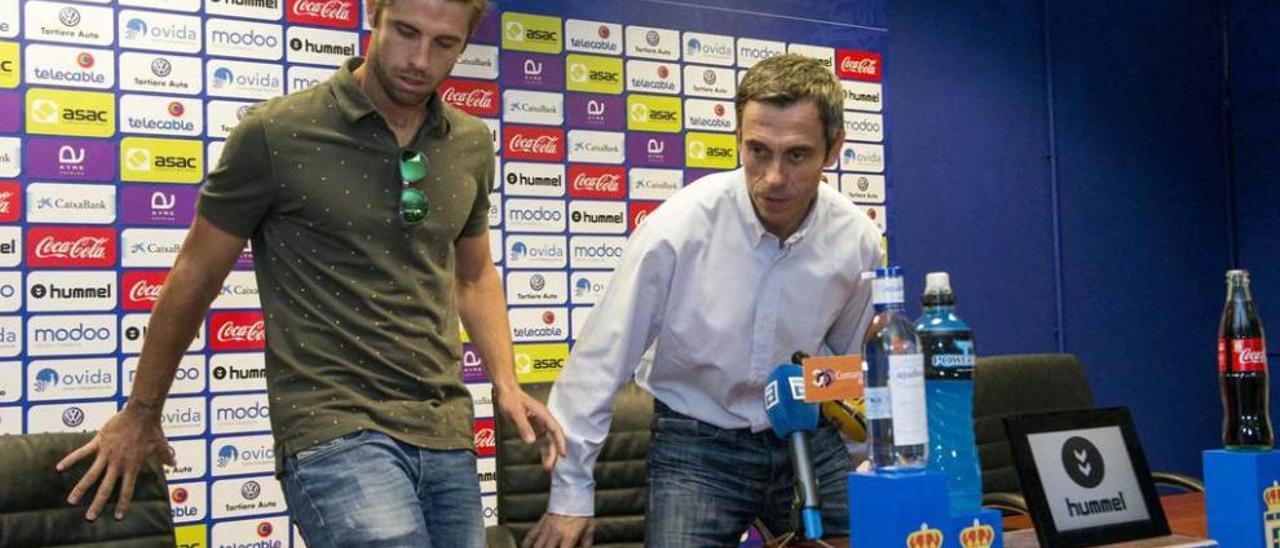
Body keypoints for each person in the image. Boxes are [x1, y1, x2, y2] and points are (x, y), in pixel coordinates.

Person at [57, 1, 565, 546]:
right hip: (332, 424)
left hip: (444, 426)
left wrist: (506, 384)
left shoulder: (467, 143)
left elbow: (474, 276)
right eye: (406, 32)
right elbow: (195, 274)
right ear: (376, 13)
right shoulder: (276, 132)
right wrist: (142, 410)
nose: (419, 59)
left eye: (445, 44)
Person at [524, 54, 884, 548]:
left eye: (797, 155)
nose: (773, 177)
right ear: (738, 138)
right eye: (757, 150)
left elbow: (848, 367)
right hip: (697, 444)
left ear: (834, 149)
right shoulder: (678, 229)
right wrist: (570, 495)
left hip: (807, 435)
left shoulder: (857, 239)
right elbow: (600, 362)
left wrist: (861, 460)